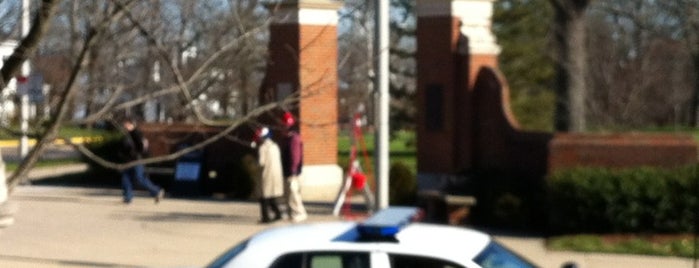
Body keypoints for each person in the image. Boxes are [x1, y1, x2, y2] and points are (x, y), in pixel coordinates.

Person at [119, 118, 164, 204]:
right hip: (128, 160)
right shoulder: (126, 135)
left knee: (139, 179)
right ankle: (128, 197)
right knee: (126, 178)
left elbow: (142, 146)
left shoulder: (137, 134)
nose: (125, 126)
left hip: (136, 160)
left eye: (127, 124)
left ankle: (156, 191)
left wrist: (136, 153)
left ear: (131, 124)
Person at [281, 112, 307, 222]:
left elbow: (295, 156)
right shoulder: (288, 138)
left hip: (293, 172)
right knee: (289, 195)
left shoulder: (294, 139)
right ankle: (292, 213)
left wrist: (293, 170)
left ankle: (299, 213)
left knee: (294, 194)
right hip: (287, 170)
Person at [255, 126, 284, 223]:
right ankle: (278, 213)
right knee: (272, 197)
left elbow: (261, 163)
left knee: (264, 197)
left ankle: (265, 217)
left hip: (266, 175)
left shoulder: (263, 148)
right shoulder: (275, 146)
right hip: (276, 175)